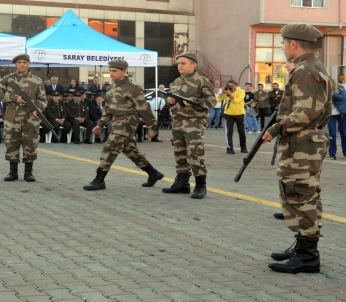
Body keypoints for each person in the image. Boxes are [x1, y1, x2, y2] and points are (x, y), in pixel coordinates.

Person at [261, 24, 333, 274]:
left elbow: (306, 112)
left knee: (300, 194)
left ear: (293, 44)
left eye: (283, 43)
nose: (282, 48)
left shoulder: (305, 71)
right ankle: (303, 245)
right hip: (304, 142)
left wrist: (276, 128)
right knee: (304, 193)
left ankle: (307, 256)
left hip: (302, 143)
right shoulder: (313, 67)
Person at [83, 59, 164, 191]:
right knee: (131, 151)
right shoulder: (110, 88)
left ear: (124, 72)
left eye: (114, 71)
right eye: (110, 71)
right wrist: (101, 124)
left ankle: (99, 179)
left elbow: (144, 110)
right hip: (116, 121)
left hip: (128, 121)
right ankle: (153, 173)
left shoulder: (133, 89)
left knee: (110, 147)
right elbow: (107, 109)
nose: (111, 74)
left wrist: (152, 128)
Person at [161, 52, 216, 199]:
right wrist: (169, 101)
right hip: (178, 120)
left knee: (194, 153)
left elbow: (212, 101)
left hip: (194, 122)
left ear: (194, 65)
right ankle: (182, 183)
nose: (180, 66)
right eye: (179, 63)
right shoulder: (175, 82)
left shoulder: (202, 81)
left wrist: (195, 100)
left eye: (183, 63)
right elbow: (170, 98)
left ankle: (200, 185)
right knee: (180, 152)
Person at [0, 54, 47, 182]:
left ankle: (28, 173)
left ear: (29, 64)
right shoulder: (8, 79)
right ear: (15, 64)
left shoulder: (37, 80)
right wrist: (13, 98)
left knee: (30, 143)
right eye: (19, 62)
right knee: (12, 143)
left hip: (30, 117)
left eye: (24, 62)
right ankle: (13, 172)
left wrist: (37, 109)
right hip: (12, 115)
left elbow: (43, 99)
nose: (22, 64)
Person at [218, 80, 247, 154]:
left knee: (242, 132)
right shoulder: (226, 92)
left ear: (236, 85)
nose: (230, 88)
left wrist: (229, 94)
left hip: (240, 114)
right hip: (228, 114)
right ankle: (229, 148)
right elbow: (217, 100)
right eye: (229, 86)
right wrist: (223, 93)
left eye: (232, 86)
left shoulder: (241, 91)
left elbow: (237, 101)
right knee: (229, 132)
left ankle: (243, 147)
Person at [327, 84, 346, 160]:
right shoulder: (322, 89)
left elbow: (342, 98)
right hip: (331, 114)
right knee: (332, 134)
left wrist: (331, 93)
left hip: (343, 112)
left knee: (344, 133)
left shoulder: (339, 87)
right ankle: (332, 153)